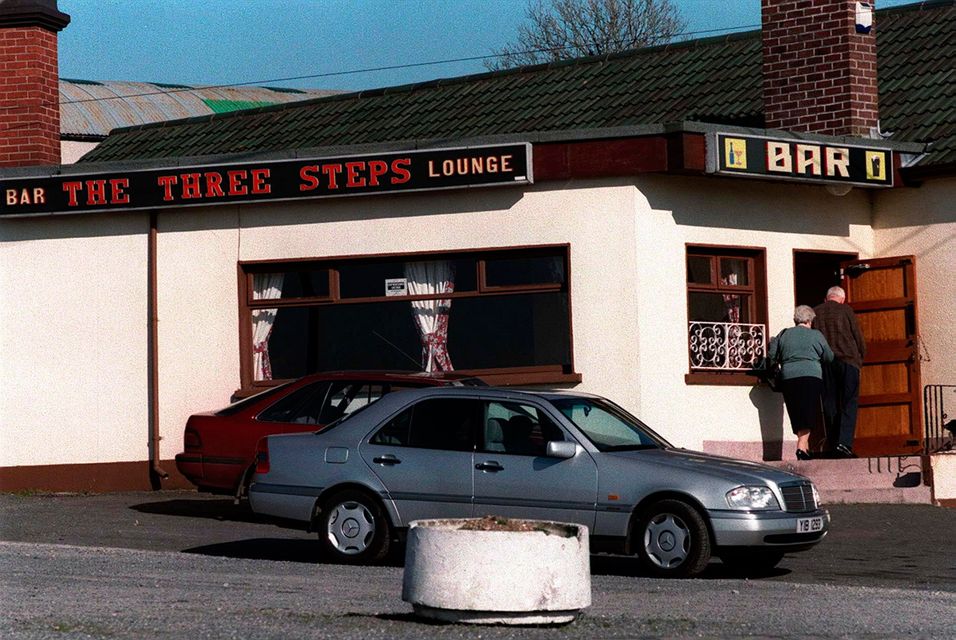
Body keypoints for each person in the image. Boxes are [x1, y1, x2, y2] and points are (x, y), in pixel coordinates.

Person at [768, 305, 834, 460]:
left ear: (795, 319)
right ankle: (800, 447)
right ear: (810, 320)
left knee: (796, 412)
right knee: (809, 411)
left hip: (789, 377)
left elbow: (772, 355)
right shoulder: (816, 335)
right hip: (811, 376)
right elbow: (829, 357)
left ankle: (805, 449)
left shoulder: (784, 334)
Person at [813, 285, 866, 458]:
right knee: (849, 402)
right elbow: (857, 336)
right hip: (848, 361)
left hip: (826, 363)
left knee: (830, 403)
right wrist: (861, 357)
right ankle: (844, 444)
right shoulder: (846, 310)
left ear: (826, 298)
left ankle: (832, 443)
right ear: (842, 298)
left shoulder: (816, 312)